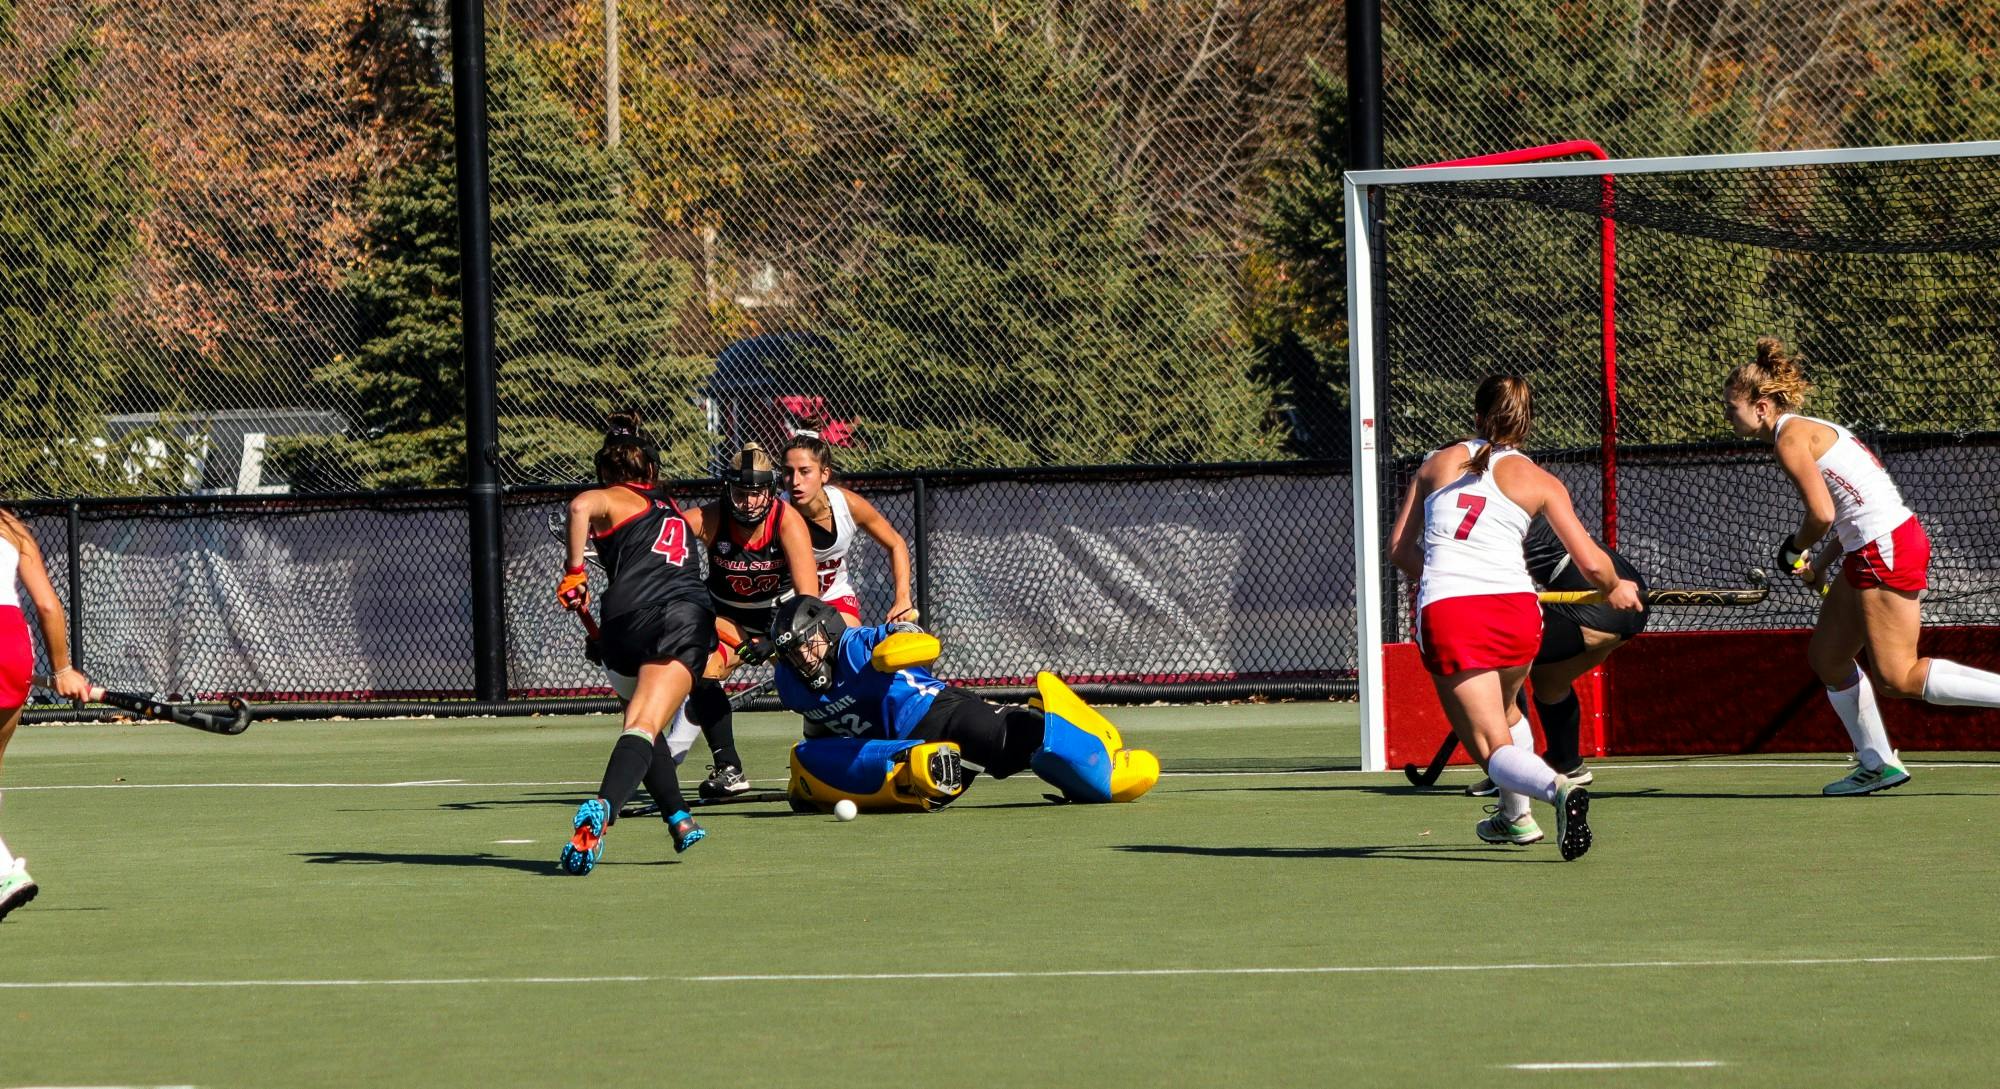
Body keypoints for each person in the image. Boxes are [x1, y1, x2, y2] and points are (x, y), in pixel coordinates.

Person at [1725, 337, 2000, 795]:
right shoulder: (1805, 428)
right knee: (1828, 658)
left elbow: (1822, 515)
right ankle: (1877, 763)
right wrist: (1824, 561)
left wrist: (1794, 551)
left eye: (1730, 407)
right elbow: (1852, 509)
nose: (1726, 416)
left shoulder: (1789, 440)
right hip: (1872, 546)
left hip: (1885, 548)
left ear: (1762, 406)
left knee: (1898, 676)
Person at [1388, 374, 1641, 860]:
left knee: (1490, 748)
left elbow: (1399, 550)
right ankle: (1515, 820)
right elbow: (1590, 562)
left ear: (1478, 417)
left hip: (1451, 611)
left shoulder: (1436, 463)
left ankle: (1557, 789)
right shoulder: (1541, 482)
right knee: (1506, 713)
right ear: (1526, 425)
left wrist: (1441, 574)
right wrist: (1614, 587)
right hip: (1518, 612)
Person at [767, 595, 1158, 809]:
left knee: (1011, 741)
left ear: (827, 630)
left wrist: (901, 640)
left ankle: (1100, 762)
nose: (802, 655)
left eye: (807, 642)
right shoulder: (790, 683)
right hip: (898, 749)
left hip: (939, 711)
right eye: (792, 651)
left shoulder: (855, 647)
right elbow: (817, 727)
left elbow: (907, 632)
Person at [554, 413, 716, 875]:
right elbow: (582, 505)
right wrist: (577, 571)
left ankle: (679, 819)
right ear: (650, 470)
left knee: (641, 719)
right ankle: (605, 808)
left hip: (622, 623)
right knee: (645, 724)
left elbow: (583, 505)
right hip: (681, 617)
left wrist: (574, 572)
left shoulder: (614, 498)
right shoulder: (666, 506)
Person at [671, 443, 821, 800]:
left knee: (822, 674)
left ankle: (831, 758)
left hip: (782, 617)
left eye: (757, 494)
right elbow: (663, 533)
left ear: (770, 491)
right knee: (702, 673)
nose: (750, 503)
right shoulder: (710, 518)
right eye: (741, 493)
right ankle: (729, 769)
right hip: (728, 617)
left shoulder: (787, 521)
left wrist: (779, 640)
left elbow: (809, 599)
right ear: (726, 490)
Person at [1467, 515, 1649, 795]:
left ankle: (1508, 769)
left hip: (1599, 603)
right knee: (1549, 678)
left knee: (1500, 655)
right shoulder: (1523, 507)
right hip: (1629, 604)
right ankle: (1567, 763)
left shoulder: (1494, 522)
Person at [0, 508, 96, 919]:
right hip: (11, 643)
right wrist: (62, 669)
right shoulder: (11, 526)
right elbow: (48, 606)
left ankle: (4, 872)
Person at [780, 434, 918, 626]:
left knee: (851, 647)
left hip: (835, 597)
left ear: (824, 474)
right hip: (789, 603)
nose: (795, 481)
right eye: (788, 471)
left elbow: (896, 544)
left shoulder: (848, 505)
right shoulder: (776, 511)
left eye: (805, 471)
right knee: (809, 650)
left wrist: (903, 598)